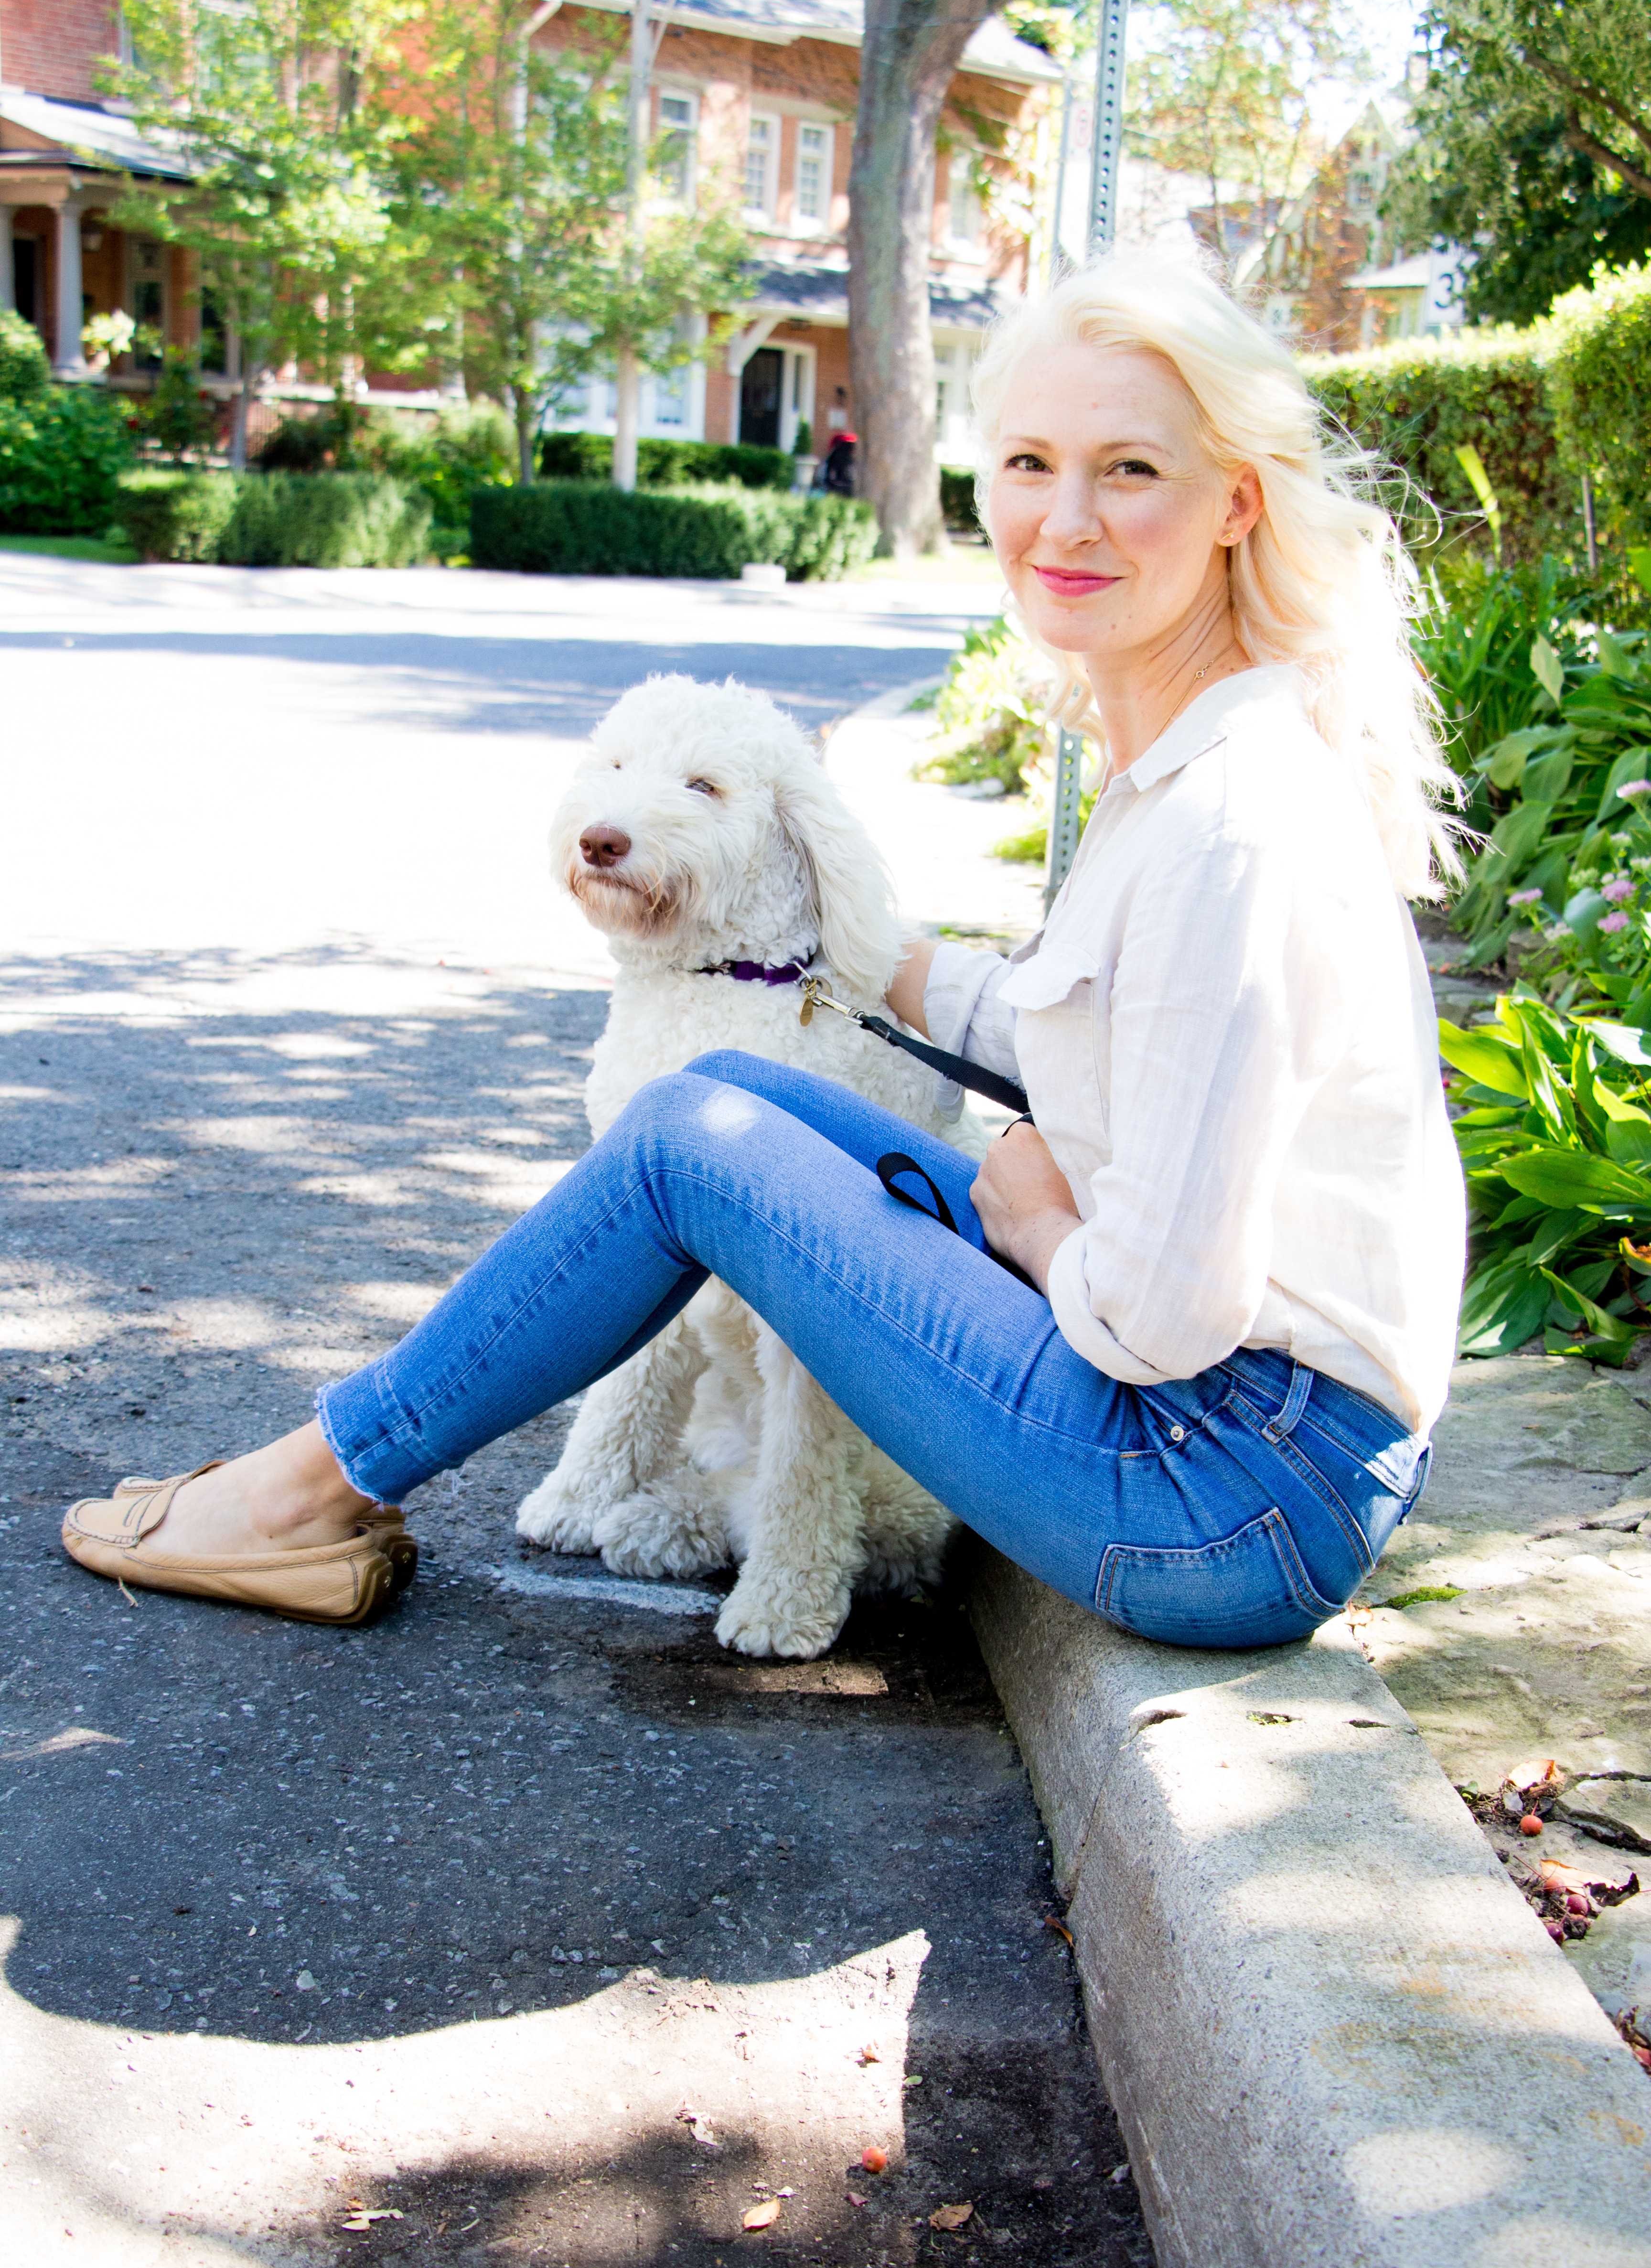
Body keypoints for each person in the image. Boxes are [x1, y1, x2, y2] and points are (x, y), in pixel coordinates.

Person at [63, 255, 1465, 1651]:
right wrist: (853, 949)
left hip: (1217, 1495)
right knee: (723, 1111)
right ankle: (338, 1474)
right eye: (1031, 460)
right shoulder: (1195, 762)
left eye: (1132, 470)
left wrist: (1031, 1219)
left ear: (1235, 503)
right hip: (1236, 1451)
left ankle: (300, 1492)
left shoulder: (1230, 823)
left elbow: (1158, 1317)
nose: (1067, 516)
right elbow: (1086, 1030)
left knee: (694, 1143)